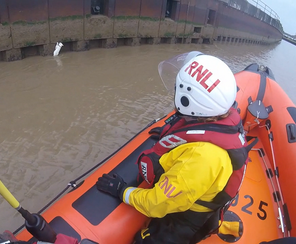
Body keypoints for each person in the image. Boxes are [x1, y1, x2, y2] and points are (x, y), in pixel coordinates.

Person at [96, 54, 254, 244]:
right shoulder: (218, 117)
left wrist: (122, 191)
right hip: (201, 190)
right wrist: (169, 138)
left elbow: (155, 203)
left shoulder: (201, 158)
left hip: (185, 219)